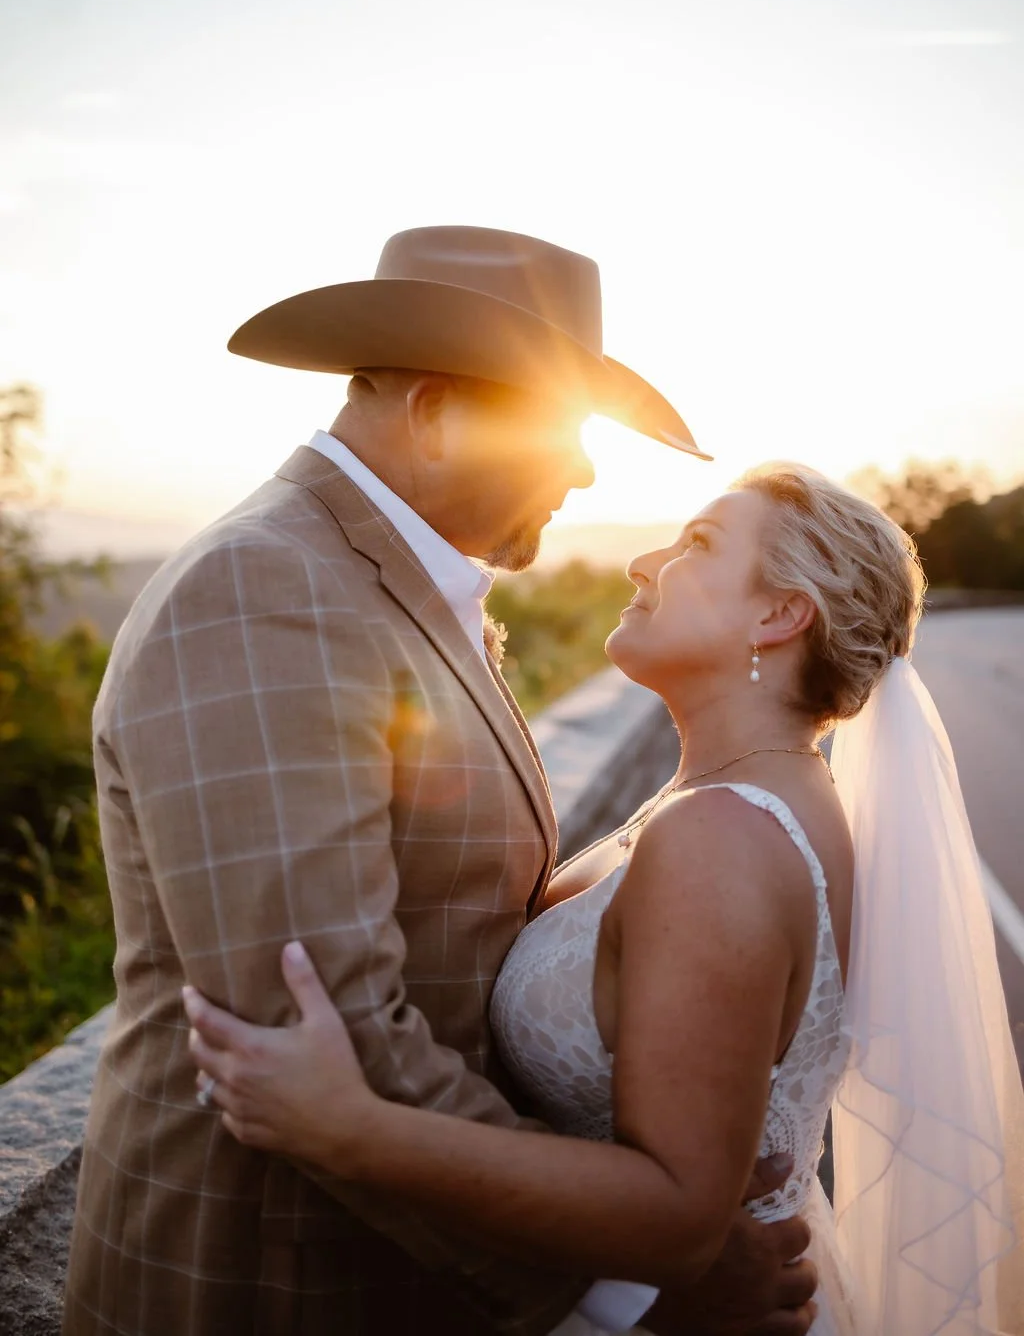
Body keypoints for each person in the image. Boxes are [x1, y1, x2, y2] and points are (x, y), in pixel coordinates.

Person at [63, 225, 817, 1336]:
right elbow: (321, 1029)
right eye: (564, 428)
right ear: (434, 411)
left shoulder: (373, 590)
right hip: (266, 1280)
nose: (586, 470)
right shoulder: (268, 589)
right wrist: (641, 1268)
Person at [184, 463, 1024, 1334]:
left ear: (779, 615)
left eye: (697, 544)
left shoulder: (723, 837)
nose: (642, 563)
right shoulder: (724, 804)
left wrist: (350, 1128)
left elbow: (676, 1210)